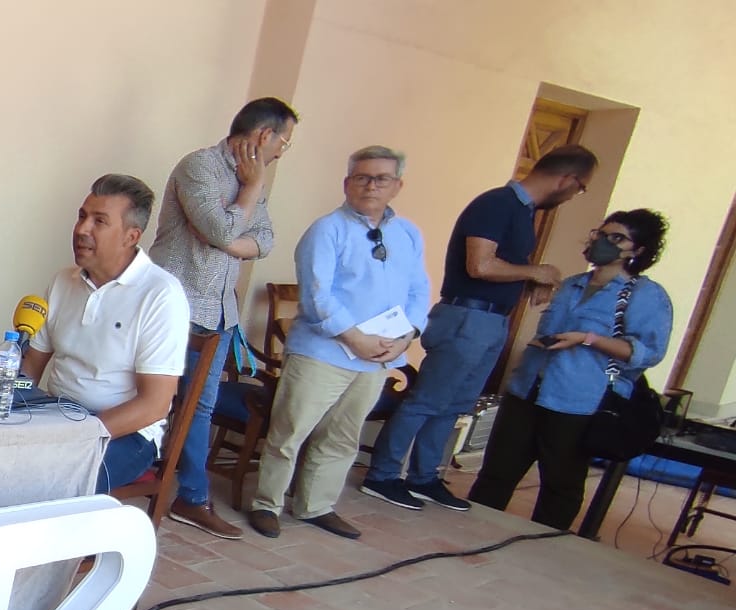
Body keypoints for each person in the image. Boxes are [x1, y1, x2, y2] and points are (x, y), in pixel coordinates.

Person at [360, 144, 598, 511]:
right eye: (579, 188)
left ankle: (424, 477)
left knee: (453, 406)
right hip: (466, 317)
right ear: (567, 179)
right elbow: (480, 266)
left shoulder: (523, 212)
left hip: (491, 320)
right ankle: (382, 476)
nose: (574, 195)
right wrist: (537, 271)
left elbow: (499, 267)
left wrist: (525, 280)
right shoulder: (497, 203)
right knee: (426, 402)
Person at [246, 147, 432, 540]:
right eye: (362, 177)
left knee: (343, 435)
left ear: (397, 185)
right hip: (323, 352)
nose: (371, 185)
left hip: (379, 356)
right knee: (291, 431)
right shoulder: (327, 229)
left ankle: (315, 505)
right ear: (347, 183)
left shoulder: (408, 234)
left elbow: (419, 290)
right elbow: (317, 297)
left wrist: (407, 337)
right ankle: (267, 504)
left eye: (381, 178)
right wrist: (354, 337)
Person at [469, 210, 672, 529]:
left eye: (616, 238)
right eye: (601, 234)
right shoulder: (572, 284)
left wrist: (588, 339)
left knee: (560, 484)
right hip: (528, 389)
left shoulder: (645, 295)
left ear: (638, 250)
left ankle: (542, 546)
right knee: (497, 471)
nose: (603, 242)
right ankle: (470, 531)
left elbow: (646, 352)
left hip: (578, 400)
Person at [153, 97, 298, 540]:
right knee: (151, 398)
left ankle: (190, 498)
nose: (280, 152)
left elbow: (266, 238)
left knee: (201, 407)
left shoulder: (253, 182)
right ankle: (133, 480)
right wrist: (249, 195)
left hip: (218, 313)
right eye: (283, 143)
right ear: (263, 135)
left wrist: (233, 242)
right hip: (173, 304)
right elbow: (218, 229)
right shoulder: (198, 166)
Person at [20, 175, 191, 492]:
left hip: (124, 434)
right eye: (82, 216)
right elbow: (30, 366)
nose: (82, 229)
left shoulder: (160, 295)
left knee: (49, 480)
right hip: (57, 414)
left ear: (130, 236)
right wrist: (7, 398)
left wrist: (80, 433)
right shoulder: (62, 282)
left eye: (99, 221)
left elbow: (154, 404)